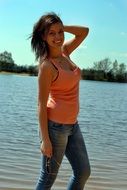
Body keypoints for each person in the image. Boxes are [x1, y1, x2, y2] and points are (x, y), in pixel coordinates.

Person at [30, 12, 90, 190]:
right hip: (55, 127)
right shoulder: (47, 66)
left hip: (73, 125)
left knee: (83, 171)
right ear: (43, 36)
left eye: (60, 32)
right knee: (47, 179)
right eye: (51, 33)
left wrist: (64, 27)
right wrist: (45, 140)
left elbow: (84, 32)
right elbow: (41, 104)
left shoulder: (65, 52)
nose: (57, 37)